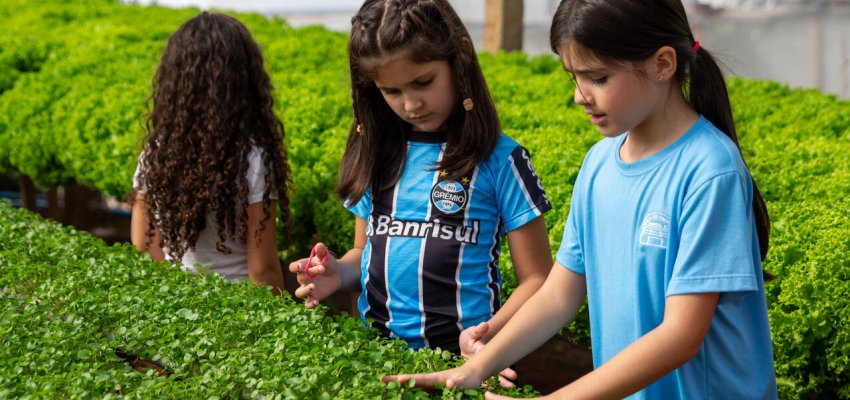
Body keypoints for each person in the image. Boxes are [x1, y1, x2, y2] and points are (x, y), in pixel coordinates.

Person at [383, 0, 778, 398]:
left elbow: (680, 336)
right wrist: (474, 368)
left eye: (598, 78)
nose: (580, 96)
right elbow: (559, 294)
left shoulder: (710, 171)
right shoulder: (600, 163)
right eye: (574, 77)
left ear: (663, 64)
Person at [288, 0, 553, 384]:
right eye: (390, 90)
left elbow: (538, 280)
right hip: (374, 364)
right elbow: (363, 252)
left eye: (423, 82)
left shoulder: (501, 159)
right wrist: (336, 274)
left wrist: (489, 341)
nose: (410, 104)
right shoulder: (377, 153)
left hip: (464, 367)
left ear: (459, 58)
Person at [131, 12, 290, 295]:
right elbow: (262, 269)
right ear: (246, 81)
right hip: (236, 314)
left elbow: (145, 247)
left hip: (175, 306)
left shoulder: (156, 152)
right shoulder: (252, 158)